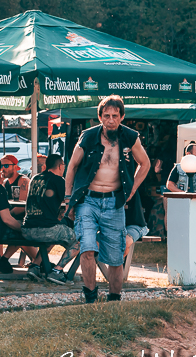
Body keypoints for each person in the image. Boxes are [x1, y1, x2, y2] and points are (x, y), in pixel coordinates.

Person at [64, 95, 150, 304]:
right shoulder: (88, 136)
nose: (110, 120)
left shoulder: (130, 137)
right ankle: (90, 299)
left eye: (115, 116)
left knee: (115, 255)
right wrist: (68, 198)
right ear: (100, 117)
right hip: (88, 200)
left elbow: (145, 163)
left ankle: (114, 300)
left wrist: (132, 190)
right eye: (106, 116)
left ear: (122, 117)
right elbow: (72, 166)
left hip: (114, 201)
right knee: (87, 248)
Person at [21, 154, 75, 282]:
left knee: (55, 231)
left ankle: (35, 266)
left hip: (26, 229)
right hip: (45, 230)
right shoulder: (59, 180)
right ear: (60, 166)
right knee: (80, 239)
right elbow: (70, 201)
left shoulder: (35, 178)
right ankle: (57, 271)